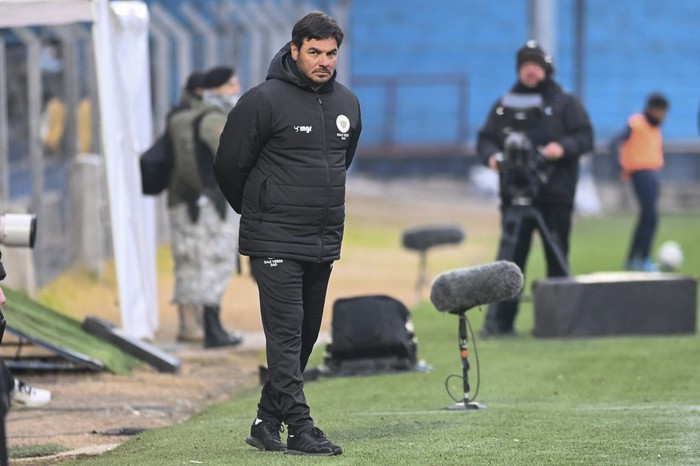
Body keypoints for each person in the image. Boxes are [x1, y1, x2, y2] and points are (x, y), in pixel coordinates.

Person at [214, 11, 362, 456]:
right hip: (274, 239)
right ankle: (300, 428)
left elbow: (340, 164)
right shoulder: (262, 100)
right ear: (294, 50)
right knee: (285, 334)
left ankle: (266, 421)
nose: (323, 61)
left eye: (330, 53)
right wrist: (262, 212)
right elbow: (228, 166)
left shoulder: (348, 104)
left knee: (307, 334)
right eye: (314, 52)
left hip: (321, 238)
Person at [478, 41, 594, 337]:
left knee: (557, 256)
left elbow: (585, 137)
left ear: (545, 68)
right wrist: (492, 157)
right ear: (519, 69)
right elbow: (485, 139)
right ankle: (502, 323)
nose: (531, 70)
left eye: (536, 64)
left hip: (555, 194)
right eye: (525, 65)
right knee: (510, 260)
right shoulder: (505, 104)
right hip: (514, 194)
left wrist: (561, 148)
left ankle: (560, 322)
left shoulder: (565, 103)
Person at [166, 68, 243, 348]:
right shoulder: (213, 119)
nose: (237, 88)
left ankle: (198, 325)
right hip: (210, 202)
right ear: (215, 89)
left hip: (194, 202)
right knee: (216, 261)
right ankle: (211, 328)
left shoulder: (188, 117)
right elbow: (232, 158)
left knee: (196, 262)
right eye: (231, 84)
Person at [609, 93, 670, 271]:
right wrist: (619, 166)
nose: (664, 116)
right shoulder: (637, 123)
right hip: (641, 173)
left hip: (653, 174)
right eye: (661, 111)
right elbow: (613, 143)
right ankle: (644, 258)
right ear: (653, 109)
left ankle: (632, 259)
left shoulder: (654, 127)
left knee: (646, 217)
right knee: (650, 216)